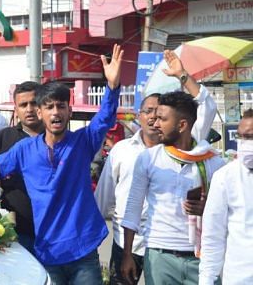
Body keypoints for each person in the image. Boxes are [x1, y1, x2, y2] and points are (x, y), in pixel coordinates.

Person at [0, 44, 124, 285]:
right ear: (40, 113)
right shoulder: (23, 150)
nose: (55, 112)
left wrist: (112, 87)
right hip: (46, 252)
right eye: (49, 107)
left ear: (69, 111)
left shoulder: (83, 142)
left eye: (61, 106)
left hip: (83, 251)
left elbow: (104, 118)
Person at [95, 49, 217, 285]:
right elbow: (107, 200)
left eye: (160, 114)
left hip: (188, 250)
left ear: (180, 123)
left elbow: (207, 106)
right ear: (138, 115)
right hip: (132, 245)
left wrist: (182, 75)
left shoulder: (196, 148)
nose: (154, 119)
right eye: (148, 112)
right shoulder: (128, 152)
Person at [121, 91, 226, 285]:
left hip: (202, 258)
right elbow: (133, 209)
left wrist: (207, 208)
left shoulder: (213, 162)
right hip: (160, 256)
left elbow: (229, 212)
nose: (156, 124)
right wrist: (127, 254)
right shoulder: (148, 159)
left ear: (182, 125)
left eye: (162, 119)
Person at [0, 81, 43, 254]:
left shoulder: (55, 137)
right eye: (23, 105)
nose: (29, 109)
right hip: (16, 229)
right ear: (16, 109)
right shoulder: (6, 137)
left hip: (54, 231)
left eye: (33, 103)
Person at [199, 109, 253, 284]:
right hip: (240, 277)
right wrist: (207, 279)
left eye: (250, 137)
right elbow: (213, 235)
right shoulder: (225, 177)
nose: (244, 143)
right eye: (240, 137)